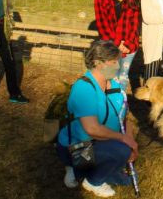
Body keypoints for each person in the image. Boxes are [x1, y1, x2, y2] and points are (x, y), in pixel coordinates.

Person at [56, 40, 138, 198]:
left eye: (117, 61)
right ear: (98, 63)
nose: (117, 66)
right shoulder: (83, 88)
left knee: (125, 180)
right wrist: (124, 140)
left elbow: (125, 118)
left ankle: (81, 170)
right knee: (121, 151)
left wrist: (131, 142)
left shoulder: (114, 86)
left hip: (100, 143)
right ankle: (90, 180)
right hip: (79, 145)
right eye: (113, 62)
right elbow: (92, 129)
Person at [94, 0, 141, 88]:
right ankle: (108, 106)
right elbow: (102, 22)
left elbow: (135, 22)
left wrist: (127, 43)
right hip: (109, 45)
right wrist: (115, 43)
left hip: (129, 45)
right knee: (109, 77)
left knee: (123, 78)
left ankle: (120, 105)